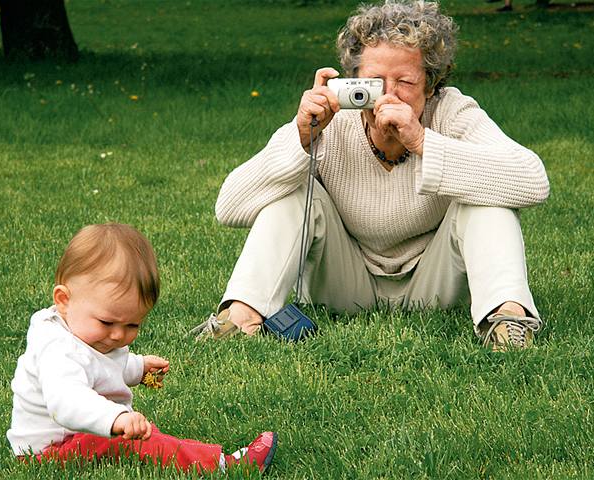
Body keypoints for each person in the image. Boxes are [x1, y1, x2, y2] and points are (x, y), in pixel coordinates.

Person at [197, 0, 549, 351]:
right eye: (375, 82)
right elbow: (228, 207)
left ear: (431, 84)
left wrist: (422, 141)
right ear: (353, 81)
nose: (389, 95)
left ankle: (508, 321)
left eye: (405, 82)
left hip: (435, 281)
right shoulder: (331, 121)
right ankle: (241, 318)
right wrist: (302, 137)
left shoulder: (453, 113)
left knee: (489, 196)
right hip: (343, 282)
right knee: (292, 190)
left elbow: (533, 180)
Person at [7, 223, 277, 474]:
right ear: (64, 300)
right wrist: (116, 417)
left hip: (80, 436)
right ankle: (223, 465)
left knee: (146, 434)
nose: (118, 335)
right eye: (107, 322)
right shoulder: (58, 350)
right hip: (49, 452)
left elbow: (105, 366)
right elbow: (67, 401)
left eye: (132, 325)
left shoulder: (89, 333)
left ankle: (176, 451)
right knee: (131, 441)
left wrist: (138, 368)